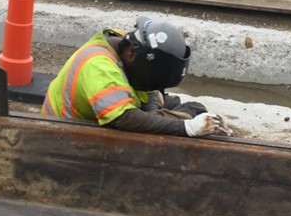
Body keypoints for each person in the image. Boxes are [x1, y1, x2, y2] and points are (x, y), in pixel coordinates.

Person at [41, 17, 229, 136]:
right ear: (132, 54)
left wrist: (152, 109)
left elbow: (150, 91)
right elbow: (123, 118)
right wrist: (187, 128)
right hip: (65, 135)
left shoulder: (128, 43)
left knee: (196, 109)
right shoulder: (99, 66)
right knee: (182, 123)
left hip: (112, 108)